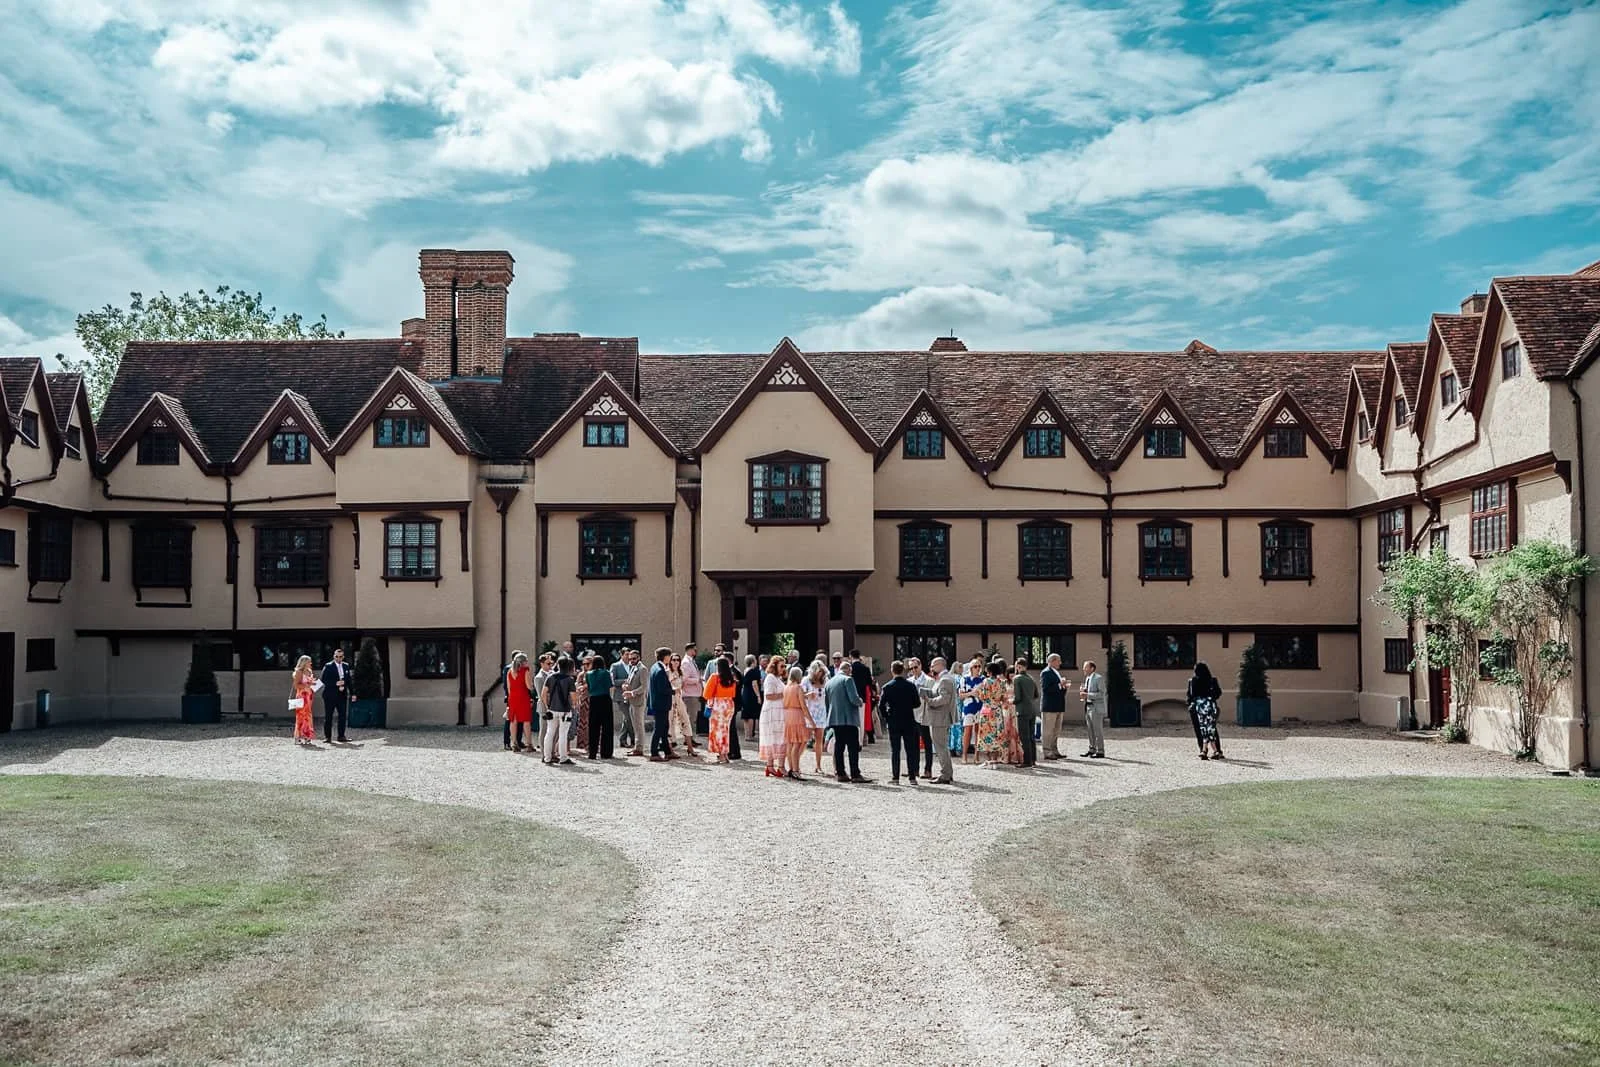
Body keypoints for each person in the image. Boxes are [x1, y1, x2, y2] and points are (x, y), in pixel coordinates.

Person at [824, 664, 869, 783]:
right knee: (853, 747)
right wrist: (860, 702)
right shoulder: (848, 680)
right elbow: (853, 698)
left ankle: (840, 773)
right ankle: (855, 773)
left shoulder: (829, 682)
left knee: (839, 746)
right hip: (848, 719)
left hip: (835, 719)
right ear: (848, 670)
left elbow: (827, 702)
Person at [880, 660, 923, 785]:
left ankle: (895, 777)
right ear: (903, 671)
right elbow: (917, 703)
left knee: (895, 750)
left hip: (894, 720)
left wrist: (887, 717)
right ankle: (912, 777)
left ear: (892, 671)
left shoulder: (887, 687)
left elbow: (881, 706)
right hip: (908, 720)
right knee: (910, 749)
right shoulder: (910, 686)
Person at [923, 658, 958, 784]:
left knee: (940, 747)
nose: (931, 668)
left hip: (940, 718)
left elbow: (944, 699)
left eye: (933, 665)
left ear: (939, 665)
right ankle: (947, 772)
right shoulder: (946, 678)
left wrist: (929, 700)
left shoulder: (945, 679)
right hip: (940, 718)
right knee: (941, 746)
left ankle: (945, 774)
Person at [973, 659, 1011, 765]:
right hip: (997, 710)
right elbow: (1004, 698)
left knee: (986, 733)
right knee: (997, 733)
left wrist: (978, 693)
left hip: (987, 709)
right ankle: (995, 759)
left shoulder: (986, 681)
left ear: (989, 671)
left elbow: (983, 696)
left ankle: (989, 760)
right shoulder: (1002, 682)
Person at [542, 655, 577, 765]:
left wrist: (547, 706)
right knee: (563, 734)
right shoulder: (570, 680)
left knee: (549, 733)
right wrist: (575, 705)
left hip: (552, 709)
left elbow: (543, 694)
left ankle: (547, 757)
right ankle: (563, 757)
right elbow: (573, 697)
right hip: (565, 710)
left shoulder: (550, 677)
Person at [704, 656, 740, 764]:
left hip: (718, 705)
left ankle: (721, 754)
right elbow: (733, 694)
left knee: (717, 731)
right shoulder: (732, 678)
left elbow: (706, 694)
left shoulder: (715, 677)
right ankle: (725, 753)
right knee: (726, 730)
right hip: (729, 704)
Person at [758, 654, 788, 779]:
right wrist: (785, 693)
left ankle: (776, 766)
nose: (783, 668)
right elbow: (769, 696)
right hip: (772, 713)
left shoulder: (778, 678)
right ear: (775, 666)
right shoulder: (770, 678)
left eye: (784, 666)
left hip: (779, 712)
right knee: (774, 737)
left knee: (779, 737)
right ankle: (771, 766)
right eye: (781, 666)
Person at [1187, 662, 1226, 760]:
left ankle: (1203, 749)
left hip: (1198, 708)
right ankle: (1217, 750)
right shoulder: (1212, 681)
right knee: (1212, 729)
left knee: (1199, 729)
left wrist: (1191, 704)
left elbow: (1190, 695)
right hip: (1210, 707)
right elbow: (1218, 693)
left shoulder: (1193, 681)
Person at [907, 657, 935, 780]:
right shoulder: (909, 681)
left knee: (927, 743)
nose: (914, 670)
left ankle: (928, 769)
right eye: (911, 668)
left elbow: (933, 695)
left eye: (915, 667)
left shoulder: (929, 680)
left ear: (920, 666)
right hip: (912, 715)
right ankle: (914, 769)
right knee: (913, 744)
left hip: (925, 714)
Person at [782, 666, 811, 780]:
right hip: (797, 715)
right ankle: (796, 770)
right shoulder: (798, 687)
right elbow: (803, 706)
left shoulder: (786, 687)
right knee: (797, 743)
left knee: (790, 743)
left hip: (788, 715)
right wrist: (811, 720)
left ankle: (791, 768)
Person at [585, 652, 615, 759]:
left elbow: (588, 687)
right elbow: (610, 686)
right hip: (605, 699)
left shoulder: (588, 674)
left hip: (593, 699)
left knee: (593, 727)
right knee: (607, 727)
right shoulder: (606, 673)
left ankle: (592, 752)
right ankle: (606, 752)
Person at [647, 647, 675, 761]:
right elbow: (662, 689)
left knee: (664, 727)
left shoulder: (655, 667)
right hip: (661, 704)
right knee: (659, 728)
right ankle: (654, 752)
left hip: (659, 703)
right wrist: (674, 690)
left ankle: (667, 751)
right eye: (669, 656)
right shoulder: (659, 670)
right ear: (666, 657)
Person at [666, 653, 696, 756]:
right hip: (670, 699)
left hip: (679, 699)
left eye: (677, 660)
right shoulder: (667, 672)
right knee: (670, 722)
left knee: (685, 720)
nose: (675, 662)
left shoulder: (680, 672)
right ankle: (670, 749)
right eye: (673, 660)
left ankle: (690, 747)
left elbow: (682, 685)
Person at [802, 659, 829, 773]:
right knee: (804, 739)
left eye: (822, 672)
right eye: (818, 672)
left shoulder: (826, 681)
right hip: (810, 712)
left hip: (821, 712)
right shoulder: (806, 681)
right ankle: (796, 762)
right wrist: (807, 695)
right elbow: (799, 695)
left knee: (819, 740)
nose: (820, 675)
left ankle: (818, 766)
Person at [1013, 657, 1041, 768]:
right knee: (1031, 736)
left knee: (1024, 736)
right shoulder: (1031, 678)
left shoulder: (1017, 679)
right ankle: (1033, 759)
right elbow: (1036, 695)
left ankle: (1027, 761)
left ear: (1018, 666)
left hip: (1022, 710)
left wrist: (1012, 701)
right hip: (1032, 709)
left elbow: (1018, 697)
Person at [320, 647, 351, 744]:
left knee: (342, 716)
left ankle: (341, 736)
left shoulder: (346, 666)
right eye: (336, 657)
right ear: (334, 656)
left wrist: (352, 692)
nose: (338, 658)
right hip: (330, 695)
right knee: (329, 716)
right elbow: (323, 680)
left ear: (343, 657)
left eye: (340, 657)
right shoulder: (328, 666)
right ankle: (328, 737)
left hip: (342, 695)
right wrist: (335, 684)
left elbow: (349, 681)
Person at [1039, 653, 1067, 760]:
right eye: (1058, 660)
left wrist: (1063, 687)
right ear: (1052, 661)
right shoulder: (1046, 673)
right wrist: (1060, 685)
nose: (1060, 663)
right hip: (1049, 706)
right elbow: (1046, 689)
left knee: (1056, 730)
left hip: (1058, 705)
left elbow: (1059, 689)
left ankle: (1054, 750)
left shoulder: (1056, 673)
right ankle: (1047, 751)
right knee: (1048, 730)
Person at [621, 649, 648, 757]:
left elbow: (644, 686)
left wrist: (632, 693)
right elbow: (629, 681)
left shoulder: (642, 669)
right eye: (630, 659)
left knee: (639, 725)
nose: (631, 660)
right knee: (635, 725)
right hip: (632, 701)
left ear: (639, 658)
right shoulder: (633, 668)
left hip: (638, 701)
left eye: (634, 658)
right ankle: (636, 747)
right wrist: (625, 685)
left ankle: (639, 748)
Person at [506, 651, 534, 751]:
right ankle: (529, 744)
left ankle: (514, 743)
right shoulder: (525, 670)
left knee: (513, 721)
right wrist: (532, 686)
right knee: (526, 721)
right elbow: (529, 686)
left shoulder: (510, 671)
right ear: (523, 662)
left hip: (513, 698)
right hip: (523, 697)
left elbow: (509, 688)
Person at [849, 650, 877, 744]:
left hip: (850, 697)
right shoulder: (865, 668)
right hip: (862, 696)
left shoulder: (850, 668)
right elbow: (869, 682)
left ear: (851, 657)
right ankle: (860, 742)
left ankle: (851, 740)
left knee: (851, 720)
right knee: (861, 720)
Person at [959, 657, 984, 764]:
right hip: (968, 707)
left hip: (980, 706)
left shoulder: (983, 679)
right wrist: (971, 693)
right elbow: (960, 695)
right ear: (971, 668)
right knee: (967, 731)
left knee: (978, 731)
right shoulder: (965, 679)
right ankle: (964, 755)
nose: (977, 668)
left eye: (979, 666)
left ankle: (976, 756)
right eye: (975, 666)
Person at [1080, 660, 1106, 758]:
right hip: (1088, 706)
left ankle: (1100, 751)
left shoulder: (1098, 678)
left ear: (1092, 668)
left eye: (1086, 667)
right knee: (1090, 730)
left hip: (1096, 707)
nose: (1084, 669)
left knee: (1097, 730)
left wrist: (1087, 694)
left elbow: (1101, 693)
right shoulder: (1087, 678)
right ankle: (1092, 749)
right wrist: (1084, 692)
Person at [532, 651, 556, 755]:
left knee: (553, 731)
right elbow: (542, 695)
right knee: (544, 730)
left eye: (552, 663)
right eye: (548, 663)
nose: (551, 665)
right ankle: (543, 752)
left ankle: (551, 751)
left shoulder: (552, 674)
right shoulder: (539, 677)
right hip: (544, 707)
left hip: (554, 706)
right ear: (542, 664)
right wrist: (547, 707)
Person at [291, 654, 317, 746]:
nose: (311, 663)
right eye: (309, 661)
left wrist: (313, 684)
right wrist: (307, 685)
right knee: (301, 716)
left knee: (308, 716)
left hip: (309, 695)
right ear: (304, 663)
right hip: (301, 695)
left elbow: (310, 683)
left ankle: (307, 736)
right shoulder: (299, 672)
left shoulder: (309, 671)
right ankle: (298, 737)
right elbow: (296, 686)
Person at [611, 650, 634, 751]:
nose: (628, 656)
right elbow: (613, 681)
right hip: (620, 696)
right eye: (626, 654)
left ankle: (622, 740)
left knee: (627, 718)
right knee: (628, 717)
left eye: (629, 655)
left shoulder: (632, 666)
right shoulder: (616, 666)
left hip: (631, 695)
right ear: (621, 655)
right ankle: (634, 738)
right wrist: (624, 681)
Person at [680, 644, 704, 735]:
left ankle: (691, 738)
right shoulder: (686, 662)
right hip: (689, 695)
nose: (696, 652)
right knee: (690, 718)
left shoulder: (691, 661)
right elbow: (684, 679)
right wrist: (697, 680)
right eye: (694, 650)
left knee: (693, 718)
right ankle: (689, 739)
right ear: (689, 650)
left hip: (694, 694)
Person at [740, 654, 764, 743]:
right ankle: (750, 735)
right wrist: (758, 696)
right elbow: (754, 684)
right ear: (753, 661)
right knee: (751, 715)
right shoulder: (754, 671)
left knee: (746, 714)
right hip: (751, 694)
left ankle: (747, 734)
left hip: (745, 693)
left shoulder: (745, 670)